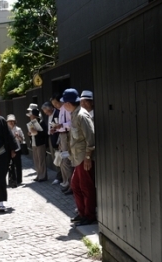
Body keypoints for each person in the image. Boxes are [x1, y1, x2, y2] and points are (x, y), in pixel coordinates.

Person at [60, 88, 96, 226]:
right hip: (77, 157)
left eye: (65, 103)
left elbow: (90, 137)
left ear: (69, 103)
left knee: (86, 187)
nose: (63, 105)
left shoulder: (81, 115)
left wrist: (88, 157)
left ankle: (89, 215)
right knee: (76, 185)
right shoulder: (75, 114)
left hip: (83, 158)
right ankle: (82, 213)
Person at [50, 94, 74, 195]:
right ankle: (68, 183)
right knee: (64, 161)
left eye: (56, 103)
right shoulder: (60, 111)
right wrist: (56, 128)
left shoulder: (66, 109)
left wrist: (61, 125)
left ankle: (71, 184)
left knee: (67, 160)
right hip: (62, 135)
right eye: (54, 104)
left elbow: (72, 123)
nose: (55, 105)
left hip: (68, 135)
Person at [41, 102, 62, 185]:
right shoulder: (46, 117)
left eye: (47, 111)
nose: (46, 113)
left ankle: (60, 177)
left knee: (60, 158)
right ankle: (59, 176)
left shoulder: (57, 113)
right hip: (51, 138)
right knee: (55, 158)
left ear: (51, 108)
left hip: (58, 138)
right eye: (45, 112)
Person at [27, 108, 48, 182]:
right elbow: (32, 133)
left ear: (35, 116)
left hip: (40, 143)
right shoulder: (31, 123)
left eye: (32, 116)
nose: (30, 117)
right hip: (34, 143)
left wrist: (37, 132)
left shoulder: (41, 123)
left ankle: (43, 176)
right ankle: (39, 175)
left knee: (41, 160)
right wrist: (29, 133)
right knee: (36, 160)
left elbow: (45, 133)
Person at [7, 114, 25, 186]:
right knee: (10, 165)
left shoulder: (18, 129)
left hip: (17, 149)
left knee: (18, 165)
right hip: (8, 150)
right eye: (9, 121)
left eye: (12, 121)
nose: (11, 122)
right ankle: (11, 179)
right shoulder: (6, 130)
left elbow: (22, 140)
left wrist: (18, 136)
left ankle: (19, 180)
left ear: (15, 122)